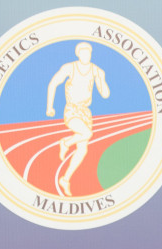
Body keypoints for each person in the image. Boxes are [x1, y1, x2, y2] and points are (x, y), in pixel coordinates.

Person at [45, 42, 109, 195]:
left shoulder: (96, 70)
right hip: (72, 110)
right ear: (78, 54)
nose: (86, 56)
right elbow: (53, 84)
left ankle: (65, 179)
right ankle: (65, 142)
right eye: (83, 53)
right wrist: (49, 106)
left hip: (86, 113)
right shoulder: (69, 68)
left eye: (89, 53)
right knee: (87, 134)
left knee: (83, 149)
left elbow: (105, 95)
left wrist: (101, 78)